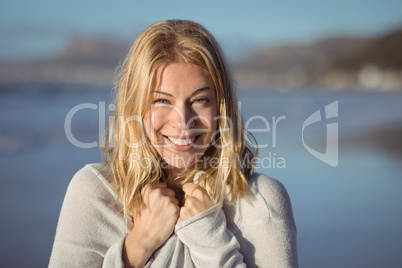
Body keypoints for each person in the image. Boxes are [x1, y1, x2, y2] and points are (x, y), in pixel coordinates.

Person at [49, 19, 298, 267]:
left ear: (222, 106)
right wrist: (137, 247)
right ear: (135, 106)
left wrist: (207, 236)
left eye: (200, 99)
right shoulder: (96, 194)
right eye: (162, 101)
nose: (183, 122)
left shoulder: (260, 201)